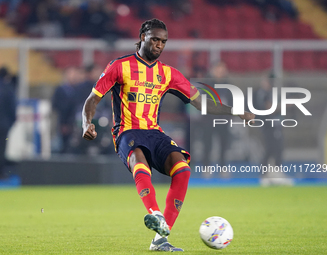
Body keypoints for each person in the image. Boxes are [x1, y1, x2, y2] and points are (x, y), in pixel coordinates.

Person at [82, 18, 254, 252]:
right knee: (139, 163)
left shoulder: (169, 74)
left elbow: (202, 104)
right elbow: (92, 99)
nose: (159, 45)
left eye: (163, 41)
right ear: (143, 36)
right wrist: (86, 124)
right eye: (155, 39)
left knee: (182, 169)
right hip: (127, 131)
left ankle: (160, 238)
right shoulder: (119, 66)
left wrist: (237, 112)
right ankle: (154, 213)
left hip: (154, 132)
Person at [0, 67, 16, 179]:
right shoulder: (8, 89)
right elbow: (13, 109)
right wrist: (10, 124)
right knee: (2, 149)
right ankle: (1, 173)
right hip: (3, 125)